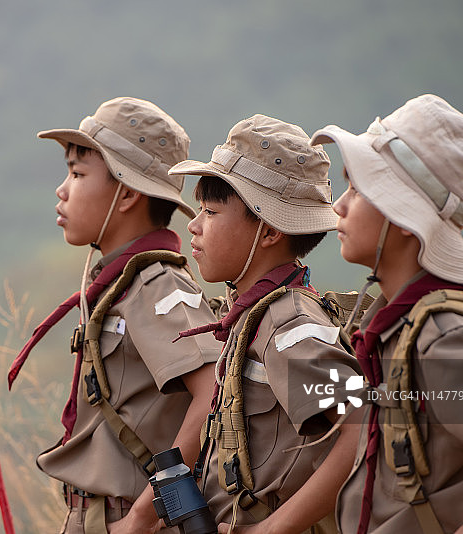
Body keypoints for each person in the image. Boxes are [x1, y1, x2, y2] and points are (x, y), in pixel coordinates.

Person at [7, 96, 221, 533]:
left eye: (78, 174)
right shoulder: (118, 286)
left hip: (129, 518)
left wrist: (145, 514)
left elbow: (215, 390)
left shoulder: (156, 285)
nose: (62, 189)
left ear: (125, 193)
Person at [311, 93, 463, 533]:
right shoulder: (388, 329)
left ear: (403, 217)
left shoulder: (443, 340)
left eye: (358, 189)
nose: (339, 206)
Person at [170, 115, 364, 533]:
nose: (193, 224)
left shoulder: (289, 324)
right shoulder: (251, 314)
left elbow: (362, 428)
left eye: (210, 211)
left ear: (269, 229)